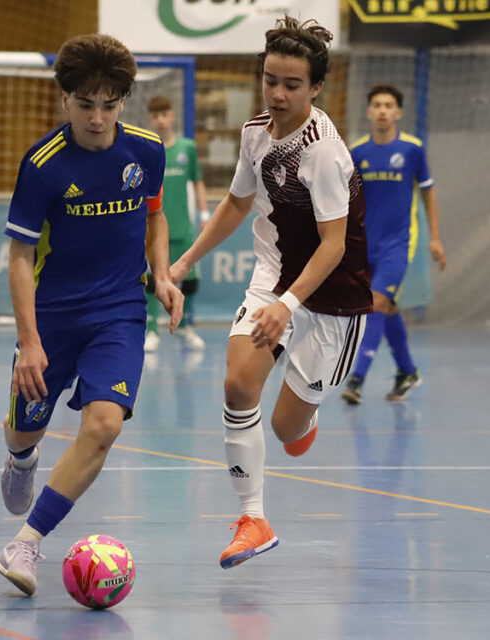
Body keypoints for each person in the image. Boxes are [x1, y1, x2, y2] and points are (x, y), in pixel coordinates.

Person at [170, 14, 371, 569]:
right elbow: (237, 202)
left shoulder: (324, 151)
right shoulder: (255, 132)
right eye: (270, 80)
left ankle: (302, 420)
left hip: (331, 299)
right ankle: (254, 519)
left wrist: (289, 306)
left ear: (316, 88)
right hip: (274, 276)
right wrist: (184, 262)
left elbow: (332, 246)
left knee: (286, 429)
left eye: (292, 85)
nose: (278, 94)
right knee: (238, 384)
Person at [0, 33, 184, 596]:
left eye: (110, 104)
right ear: (65, 101)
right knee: (27, 426)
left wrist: (163, 274)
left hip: (120, 309)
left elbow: (155, 218)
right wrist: (30, 342)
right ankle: (20, 458)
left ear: (123, 101)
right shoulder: (42, 165)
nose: (98, 118)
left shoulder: (146, 150)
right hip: (51, 314)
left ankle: (26, 542)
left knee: (104, 424)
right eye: (86, 105)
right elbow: (21, 255)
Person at [341, 84, 446, 405]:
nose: (383, 110)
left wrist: (436, 238)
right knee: (384, 307)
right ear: (369, 112)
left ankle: (357, 378)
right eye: (377, 105)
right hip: (364, 244)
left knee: (375, 303)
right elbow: (347, 200)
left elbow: (428, 192)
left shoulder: (412, 150)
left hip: (399, 245)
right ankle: (407, 371)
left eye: (389, 105)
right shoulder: (357, 153)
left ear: (398, 113)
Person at [143, 95, 209, 352]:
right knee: (150, 280)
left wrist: (204, 214)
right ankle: (150, 331)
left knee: (189, 280)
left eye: (164, 114)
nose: (160, 120)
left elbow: (198, 181)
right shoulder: (148, 149)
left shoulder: (187, 149)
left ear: (172, 117)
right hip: (153, 227)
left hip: (181, 226)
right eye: (155, 116)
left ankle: (185, 327)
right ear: (151, 119)